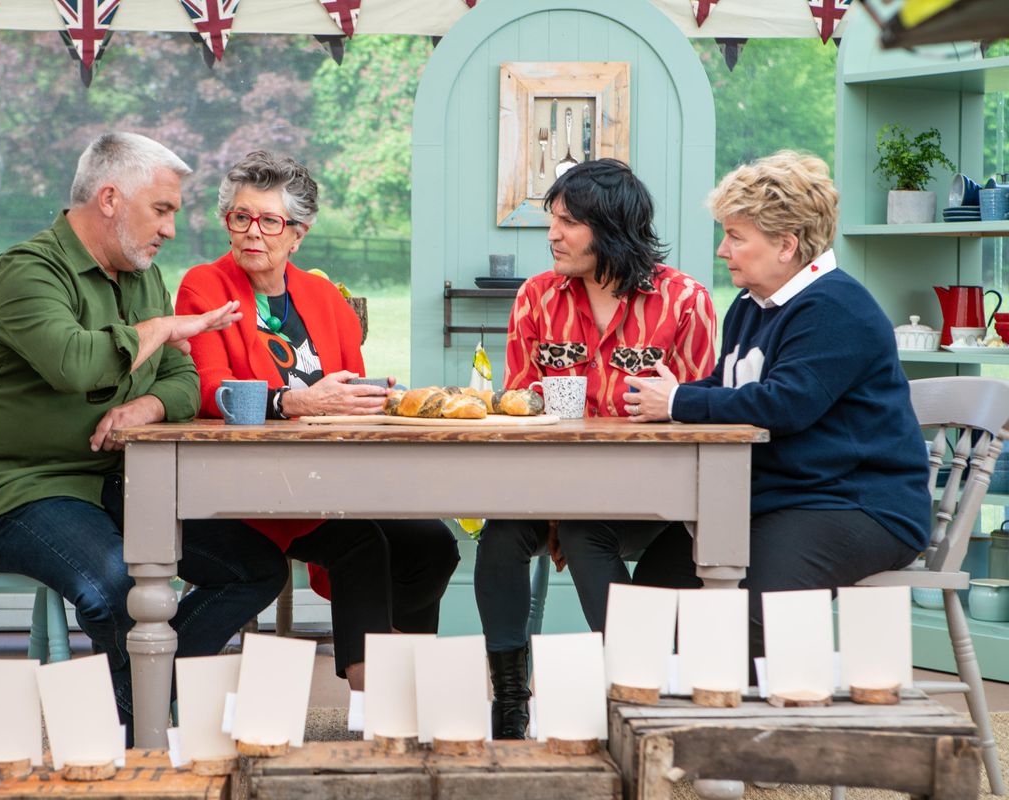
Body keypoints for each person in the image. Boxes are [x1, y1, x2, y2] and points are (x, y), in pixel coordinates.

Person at [0, 132, 289, 734]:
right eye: (162, 210)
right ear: (109, 198)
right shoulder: (23, 274)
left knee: (256, 566)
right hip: (17, 490)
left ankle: (129, 705)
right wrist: (159, 328)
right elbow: (75, 364)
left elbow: (185, 378)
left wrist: (150, 407)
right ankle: (142, 739)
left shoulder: (139, 276)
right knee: (121, 585)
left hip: (119, 482)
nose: (171, 229)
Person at [624, 150, 929, 663]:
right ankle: (674, 720)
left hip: (857, 504)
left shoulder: (835, 307)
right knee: (656, 587)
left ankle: (764, 730)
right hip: (777, 500)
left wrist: (679, 399)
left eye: (736, 237)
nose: (723, 251)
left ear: (787, 245)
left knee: (751, 609)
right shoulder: (750, 306)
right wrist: (674, 395)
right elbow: (731, 386)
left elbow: (785, 404)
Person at [176, 151, 459, 690]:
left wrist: (374, 401)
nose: (251, 232)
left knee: (433, 545)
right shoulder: (203, 286)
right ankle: (369, 691)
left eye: (269, 221)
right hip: (248, 483)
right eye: (240, 217)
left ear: (298, 234)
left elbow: (347, 394)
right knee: (362, 545)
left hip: (331, 480)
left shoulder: (326, 298)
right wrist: (292, 402)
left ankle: (402, 684)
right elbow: (209, 390)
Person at [476, 158, 717, 739]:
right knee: (502, 536)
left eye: (567, 222)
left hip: (653, 502)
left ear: (611, 227)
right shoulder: (537, 298)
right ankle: (510, 702)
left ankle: (633, 691)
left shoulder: (685, 301)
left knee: (586, 529)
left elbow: (703, 424)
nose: (552, 235)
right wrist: (556, 498)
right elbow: (517, 407)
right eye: (551, 221)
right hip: (550, 487)